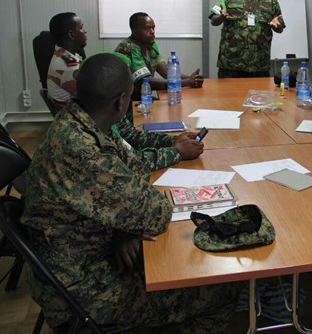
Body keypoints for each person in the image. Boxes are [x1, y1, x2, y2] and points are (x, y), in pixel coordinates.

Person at [22, 53, 235, 333]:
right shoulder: (81, 148)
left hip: (91, 252)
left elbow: (133, 166)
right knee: (218, 290)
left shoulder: (84, 121)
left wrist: (124, 226)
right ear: (122, 102)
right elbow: (156, 213)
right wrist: (129, 221)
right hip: (82, 288)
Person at [45, 14, 203, 170]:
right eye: (81, 28)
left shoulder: (102, 116)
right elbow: (128, 164)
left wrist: (174, 141)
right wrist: (177, 152)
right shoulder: (85, 139)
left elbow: (132, 137)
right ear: (121, 101)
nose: (152, 31)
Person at [209, 0, 285, 78]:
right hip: (231, 64)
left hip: (259, 64)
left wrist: (277, 25)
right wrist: (221, 17)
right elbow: (214, 20)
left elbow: (280, 28)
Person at [114, 12, 204, 100]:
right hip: (124, 101)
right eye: (147, 28)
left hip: (142, 97)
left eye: (153, 28)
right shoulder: (128, 47)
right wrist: (186, 82)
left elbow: (167, 73)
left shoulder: (150, 45)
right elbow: (146, 81)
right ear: (134, 31)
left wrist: (192, 78)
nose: (152, 32)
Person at [46, 12, 87, 109]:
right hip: (77, 115)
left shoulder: (64, 55)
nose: (85, 31)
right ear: (71, 35)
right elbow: (94, 95)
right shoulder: (67, 67)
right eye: (81, 28)